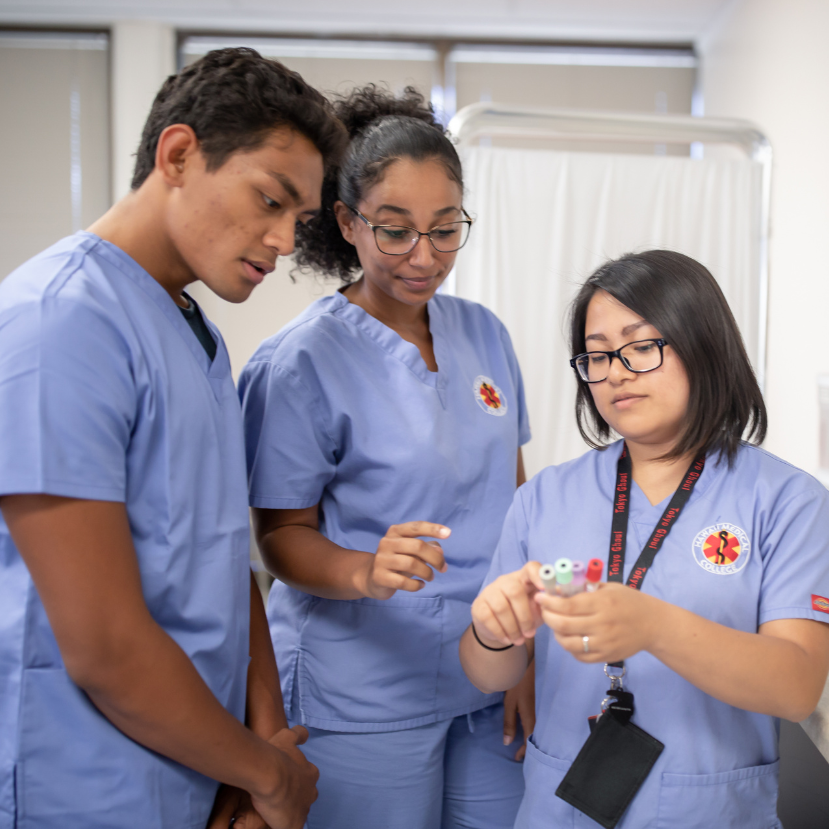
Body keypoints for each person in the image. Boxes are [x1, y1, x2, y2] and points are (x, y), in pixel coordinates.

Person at [0, 47, 347, 829]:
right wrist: (270, 773)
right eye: (269, 200)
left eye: (300, 219)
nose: (286, 242)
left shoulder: (199, 337)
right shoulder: (60, 324)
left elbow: (224, 562)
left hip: (199, 766)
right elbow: (104, 645)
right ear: (179, 155)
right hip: (84, 782)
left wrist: (258, 746)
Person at [238, 86, 532, 829]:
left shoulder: (484, 334)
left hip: (486, 670)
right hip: (362, 688)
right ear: (347, 222)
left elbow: (517, 498)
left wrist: (530, 656)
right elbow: (278, 536)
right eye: (395, 231)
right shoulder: (300, 362)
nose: (422, 257)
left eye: (444, 230)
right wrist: (364, 568)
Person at [460, 249, 829, 828]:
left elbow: (796, 687)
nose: (615, 371)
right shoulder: (545, 496)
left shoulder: (788, 501)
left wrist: (651, 625)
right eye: (598, 354)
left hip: (710, 810)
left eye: (640, 346)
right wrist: (491, 632)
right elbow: (489, 673)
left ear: (703, 345)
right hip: (561, 807)